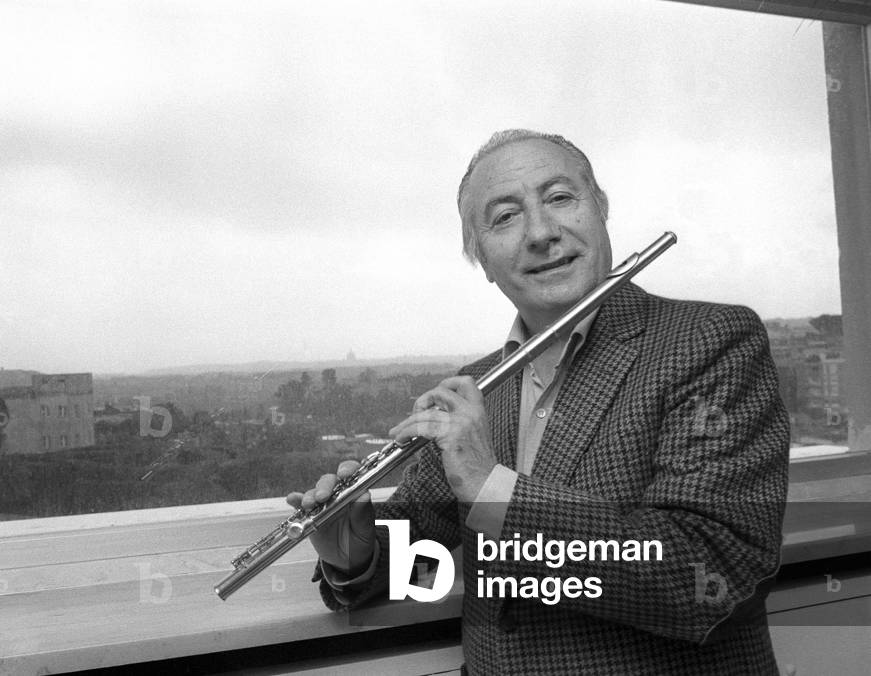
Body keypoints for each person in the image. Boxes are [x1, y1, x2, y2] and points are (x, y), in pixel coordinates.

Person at [288, 130, 790, 675]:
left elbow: (709, 572)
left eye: (559, 198)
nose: (541, 232)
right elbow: (423, 552)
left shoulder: (712, 341)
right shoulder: (475, 386)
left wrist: (489, 486)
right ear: (480, 258)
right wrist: (356, 552)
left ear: (600, 208)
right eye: (504, 217)